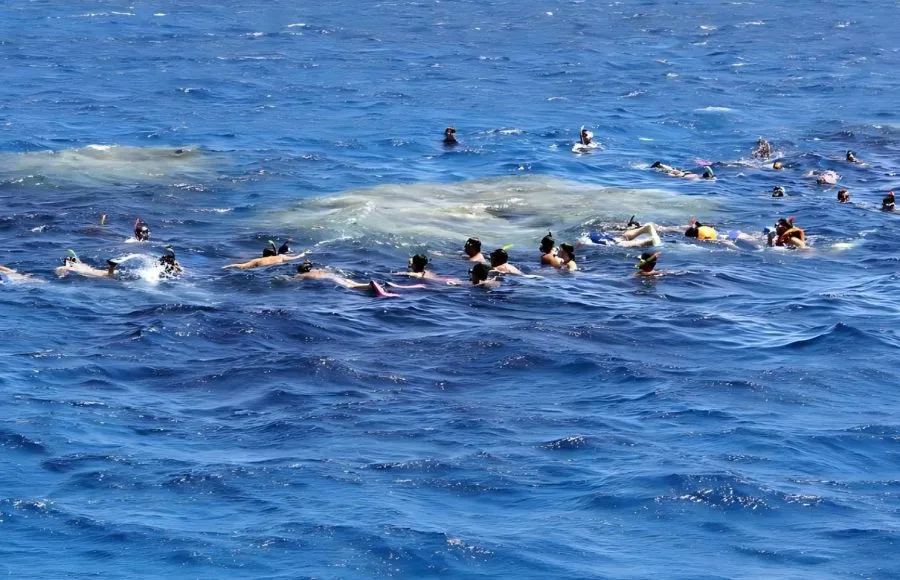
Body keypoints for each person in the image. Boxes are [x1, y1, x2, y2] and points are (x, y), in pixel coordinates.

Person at [294, 261, 398, 297]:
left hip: (331, 279)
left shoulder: (301, 275)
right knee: (352, 283)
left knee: (350, 287)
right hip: (335, 276)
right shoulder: (316, 270)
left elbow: (292, 280)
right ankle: (369, 285)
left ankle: (370, 286)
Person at [223, 240, 306, 270]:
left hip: (260, 269)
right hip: (274, 269)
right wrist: (302, 254)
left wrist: (228, 266)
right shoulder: (281, 257)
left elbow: (241, 266)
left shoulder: (257, 260)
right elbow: (294, 258)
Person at [583, 221, 663, 248]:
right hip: (610, 236)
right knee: (623, 237)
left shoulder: (585, 239)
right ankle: (644, 229)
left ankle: (649, 241)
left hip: (612, 241)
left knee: (623, 243)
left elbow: (580, 243)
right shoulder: (590, 234)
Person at [396, 253, 461, 285]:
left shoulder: (416, 275)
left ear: (414, 265)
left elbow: (398, 274)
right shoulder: (427, 272)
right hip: (445, 280)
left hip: (442, 283)